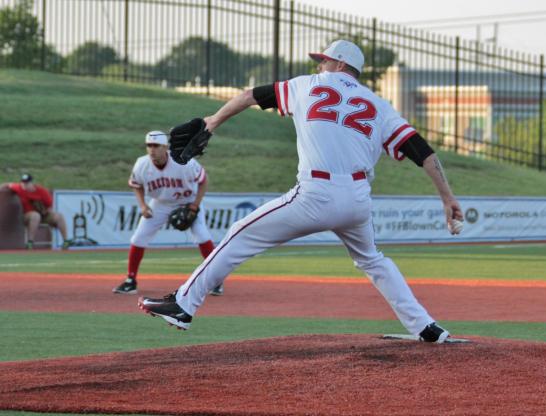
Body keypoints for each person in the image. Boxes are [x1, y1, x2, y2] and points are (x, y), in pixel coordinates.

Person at [139, 40, 463, 343]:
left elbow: (251, 95)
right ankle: (425, 327)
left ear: (339, 63)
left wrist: (212, 121)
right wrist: (447, 198)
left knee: (240, 233)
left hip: (316, 193)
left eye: (323, 61)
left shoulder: (306, 85)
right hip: (358, 199)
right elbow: (424, 152)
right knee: (373, 260)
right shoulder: (379, 105)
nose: (319, 66)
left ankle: (183, 304)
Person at [112, 131, 223, 296]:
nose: (152, 149)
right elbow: (136, 185)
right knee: (138, 238)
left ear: (166, 147)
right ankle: (130, 280)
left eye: (156, 146)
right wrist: (142, 205)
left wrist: (195, 205)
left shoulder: (183, 161)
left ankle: (216, 280)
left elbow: (203, 181)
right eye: (149, 145)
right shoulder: (142, 164)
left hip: (187, 201)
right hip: (160, 204)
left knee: (202, 236)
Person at [0, 173, 72, 249]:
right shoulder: (19, 188)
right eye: (23, 182)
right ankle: (30, 243)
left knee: (59, 216)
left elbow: (49, 206)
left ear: (31, 183)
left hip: (43, 214)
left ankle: (66, 241)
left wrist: (45, 211)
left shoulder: (41, 191)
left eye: (27, 183)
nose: (24, 185)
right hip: (27, 216)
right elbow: (7, 184)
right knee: (35, 215)